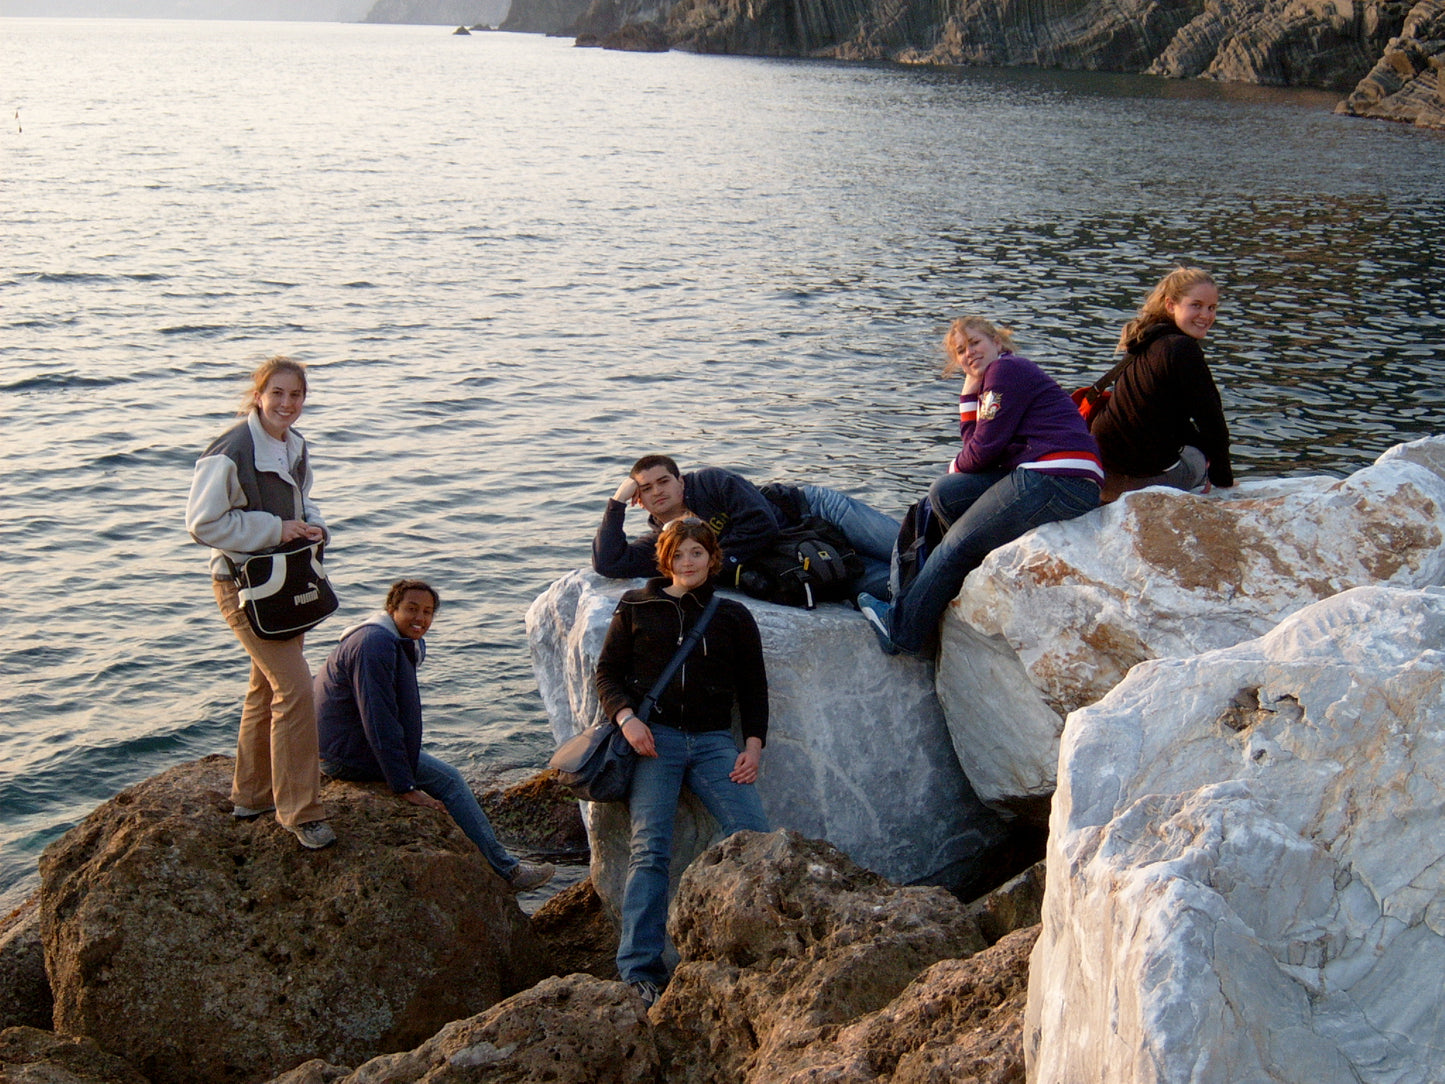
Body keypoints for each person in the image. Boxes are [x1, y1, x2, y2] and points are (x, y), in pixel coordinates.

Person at [595, 518, 769, 1008]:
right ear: (664, 558)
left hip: (714, 742)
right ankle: (638, 970)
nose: (687, 563)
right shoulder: (636, 606)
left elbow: (754, 689)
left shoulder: (732, 615)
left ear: (712, 559)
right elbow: (606, 674)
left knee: (753, 833)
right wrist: (627, 719)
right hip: (657, 741)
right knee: (650, 850)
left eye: (697, 553)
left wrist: (753, 747)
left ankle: (740, 947)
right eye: (678, 554)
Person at [857, 318, 1103, 657]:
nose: (969, 352)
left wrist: (960, 458)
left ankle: (901, 628)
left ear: (998, 343)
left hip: (1056, 478)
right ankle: (935, 597)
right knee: (945, 492)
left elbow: (981, 452)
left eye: (975, 343)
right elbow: (980, 454)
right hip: (1062, 478)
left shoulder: (1005, 372)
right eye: (960, 350)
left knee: (957, 544)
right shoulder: (997, 377)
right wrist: (969, 391)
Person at [315, 580, 555, 892]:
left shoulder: (386, 638)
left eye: (428, 612)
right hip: (347, 756)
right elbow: (379, 719)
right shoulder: (375, 645)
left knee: (439, 772)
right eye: (412, 609)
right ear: (392, 609)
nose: (421, 618)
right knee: (450, 780)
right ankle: (509, 872)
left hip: (345, 745)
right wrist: (404, 786)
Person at [186, 356, 337, 850]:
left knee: (264, 687)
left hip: (282, 583)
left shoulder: (295, 446)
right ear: (258, 395)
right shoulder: (230, 449)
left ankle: (251, 794)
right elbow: (204, 524)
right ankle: (301, 811)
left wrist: (312, 524)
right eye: (277, 393)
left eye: (296, 395)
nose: (287, 404)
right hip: (241, 586)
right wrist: (276, 529)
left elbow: (303, 501)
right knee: (295, 690)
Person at [593, 454, 899, 598]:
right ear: (640, 501)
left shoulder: (711, 482)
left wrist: (712, 562)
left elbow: (762, 525)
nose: (657, 491)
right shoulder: (669, 541)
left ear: (681, 482)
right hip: (810, 552)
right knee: (901, 579)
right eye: (646, 489)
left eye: (664, 481)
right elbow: (609, 562)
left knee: (906, 546)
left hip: (815, 510)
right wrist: (617, 503)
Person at [1089, 267, 1234, 501]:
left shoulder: (1145, 341)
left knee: (1193, 444)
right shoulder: (1182, 349)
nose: (1206, 315)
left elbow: (1166, 419)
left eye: (1212, 307)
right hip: (1138, 480)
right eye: (1196, 305)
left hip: (1103, 472)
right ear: (1170, 305)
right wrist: (1223, 481)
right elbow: (1213, 424)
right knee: (1198, 458)